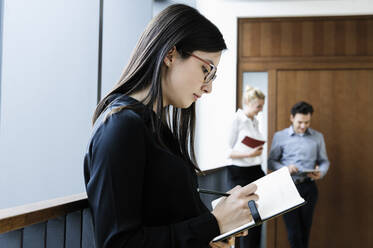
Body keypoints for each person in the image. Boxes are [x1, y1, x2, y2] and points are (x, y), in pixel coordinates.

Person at [83, 4, 259, 248]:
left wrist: (214, 231)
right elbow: (118, 243)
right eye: (206, 70)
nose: (208, 87)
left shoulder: (154, 127)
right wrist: (213, 224)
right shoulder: (120, 126)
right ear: (170, 55)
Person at [268, 101, 330, 248]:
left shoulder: (317, 137)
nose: (303, 126)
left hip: (309, 187)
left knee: (305, 230)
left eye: (307, 122)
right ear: (292, 118)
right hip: (287, 187)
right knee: (294, 233)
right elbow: (271, 162)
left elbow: (324, 161)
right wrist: (285, 169)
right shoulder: (280, 136)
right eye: (300, 122)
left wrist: (320, 172)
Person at [224, 85, 266, 248]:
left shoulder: (255, 121)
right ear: (248, 102)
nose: (260, 110)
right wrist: (249, 155)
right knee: (243, 220)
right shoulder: (237, 120)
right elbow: (227, 152)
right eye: (258, 106)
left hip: (255, 171)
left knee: (258, 218)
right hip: (239, 173)